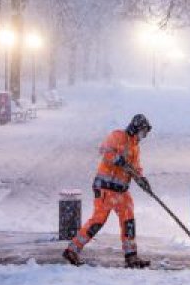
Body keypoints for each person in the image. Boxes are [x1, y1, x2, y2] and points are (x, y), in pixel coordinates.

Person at [63, 114, 153, 268]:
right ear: (135, 128)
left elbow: (136, 168)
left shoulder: (135, 147)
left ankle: (131, 256)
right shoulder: (118, 136)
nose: (143, 135)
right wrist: (117, 159)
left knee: (128, 221)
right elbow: (105, 150)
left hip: (122, 192)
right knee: (98, 220)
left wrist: (141, 179)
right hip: (105, 187)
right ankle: (72, 250)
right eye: (143, 131)